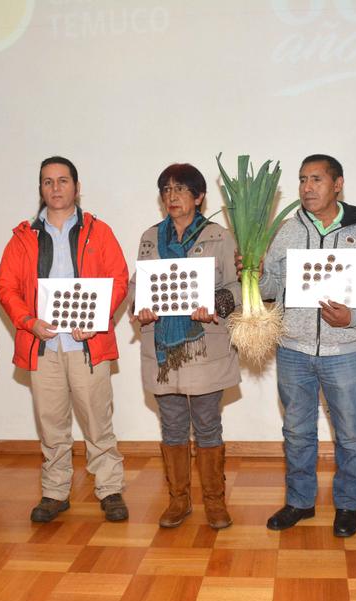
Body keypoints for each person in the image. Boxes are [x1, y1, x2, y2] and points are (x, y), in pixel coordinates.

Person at [256, 154, 356, 538]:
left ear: (338, 184)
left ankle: (348, 506)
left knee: (350, 434)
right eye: (302, 180)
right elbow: (270, 290)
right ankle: (300, 501)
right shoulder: (286, 230)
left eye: (316, 179)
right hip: (293, 348)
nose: (307, 187)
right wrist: (254, 270)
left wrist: (353, 317)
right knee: (297, 432)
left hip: (343, 351)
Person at [0, 156, 130, 523]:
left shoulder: (98, 232)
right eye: (47, 182)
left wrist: (98, 319)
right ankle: (55, 492)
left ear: (77, 186)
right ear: (40, 188)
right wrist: (27, 322)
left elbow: (119, 278)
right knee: (51, 424)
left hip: (88, 344)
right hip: (44, 346)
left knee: (97, 422)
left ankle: (110, 489)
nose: (55, 188)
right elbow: (6, 286)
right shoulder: (24, 236)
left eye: (63, 180)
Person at [128, 164, 240, 530]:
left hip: (205, 346)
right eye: (166, 190)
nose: (172, 196)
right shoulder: (149, 237)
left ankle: (214, 502)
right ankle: (178, 501)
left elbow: (238, 286)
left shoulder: (219, 236)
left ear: (199, 196)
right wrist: (138, 307)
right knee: (172, 429)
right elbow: (137, 286)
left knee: (208, 427)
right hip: (162, 349)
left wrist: (216, 303)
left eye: (180, 189)